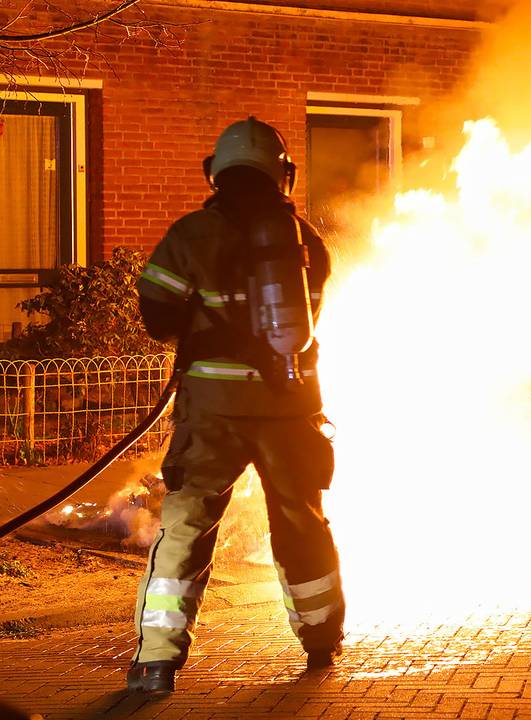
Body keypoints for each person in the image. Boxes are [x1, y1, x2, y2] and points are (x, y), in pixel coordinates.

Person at [126, 117, 344, 694]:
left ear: (216, 171)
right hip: (290, 409)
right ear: (283, 175)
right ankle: (321, 640)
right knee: (301, 525)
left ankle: (156, 662)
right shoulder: (307, 243)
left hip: (213, 413)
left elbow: (157, 316)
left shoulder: (192, 233)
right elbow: (306, 323)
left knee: (186, 530)